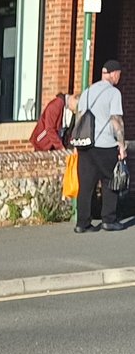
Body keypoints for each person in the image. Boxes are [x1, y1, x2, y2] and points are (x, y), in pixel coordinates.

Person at [75, 58, 127, 233]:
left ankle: (82, 223)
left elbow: (79, 117)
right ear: (113, 74)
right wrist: (121, 145)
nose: (119, 77)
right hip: (105, 144)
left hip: (85, 144)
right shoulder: (114, 93)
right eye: (119, 74)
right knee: (110, 181)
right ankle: (108, 219)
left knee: (86, 185)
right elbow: (116, 120)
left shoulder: (87, 92)